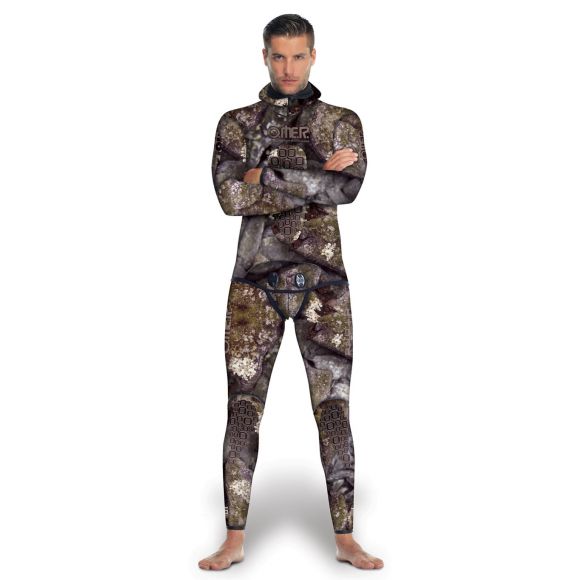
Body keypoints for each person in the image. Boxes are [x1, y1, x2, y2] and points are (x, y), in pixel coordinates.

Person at [199, 14, 383, 571]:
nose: (288, 68)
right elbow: (230, 198)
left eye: (298, 56)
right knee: (243, 407)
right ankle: (234, 538)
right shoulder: (236, 124)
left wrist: (263, 175)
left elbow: (348, 188)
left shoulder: (341, 121)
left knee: (334, 407)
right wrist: (314, 177)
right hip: (253, 286)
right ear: (264, 56)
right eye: (278, 56)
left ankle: (346, 538)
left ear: (313, 56)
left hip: (324, 287)